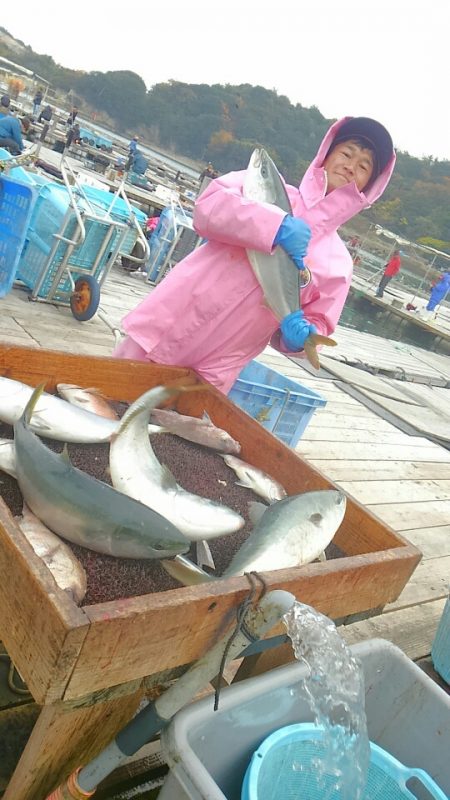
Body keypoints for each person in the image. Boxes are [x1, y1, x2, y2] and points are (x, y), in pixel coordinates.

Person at [113, 116, 395, 393]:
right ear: (326, 154)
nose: (350, 166)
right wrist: (275, 225)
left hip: (216, 365)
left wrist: (300, 338)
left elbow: (319, 320)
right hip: (167, 321)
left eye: (363, 166)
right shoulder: (267, 188)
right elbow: (208, 208)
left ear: (369, 186)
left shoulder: (339, 264)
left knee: (174, 422)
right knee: (107, 395)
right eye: (346, 153)